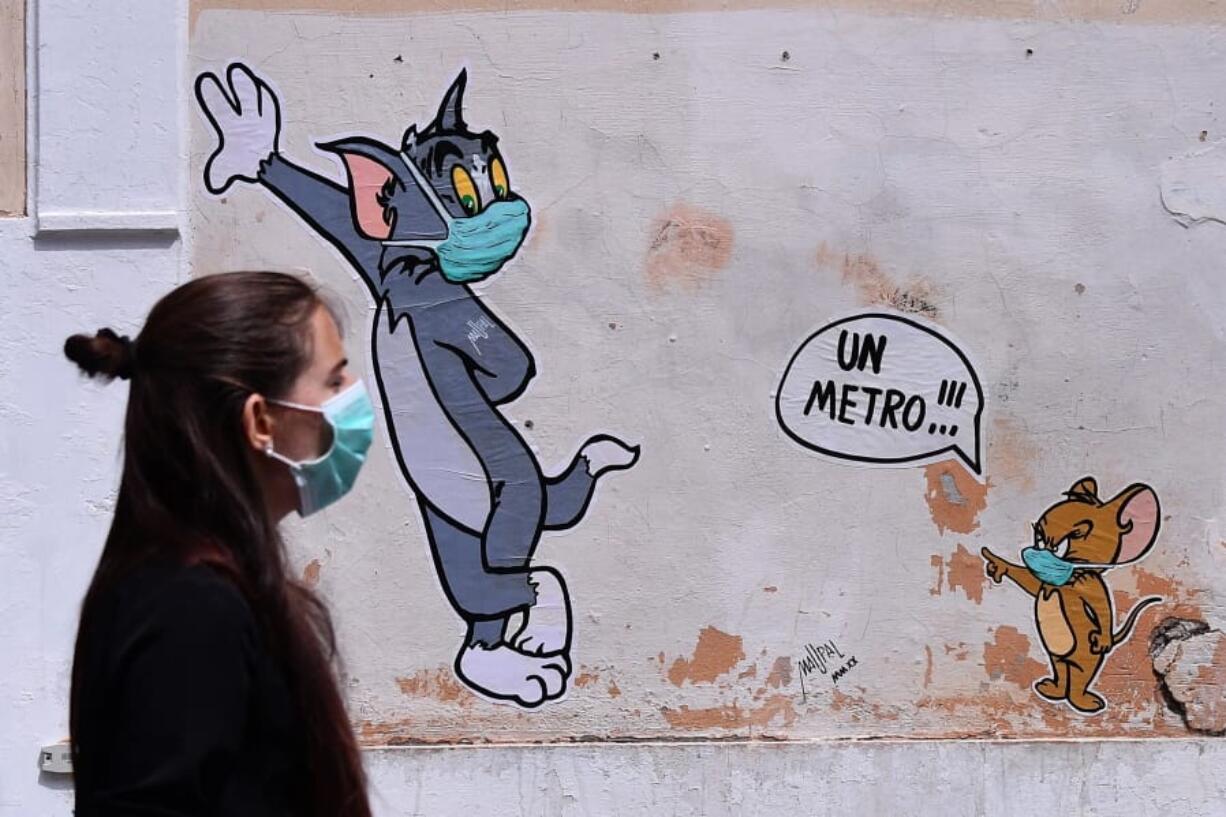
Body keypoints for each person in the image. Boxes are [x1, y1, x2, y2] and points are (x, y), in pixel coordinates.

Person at [63, 271, 376, 817]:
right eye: (333, 382)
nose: (352, 399)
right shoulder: (190, 609)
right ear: (260, 420)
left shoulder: (211, 585)